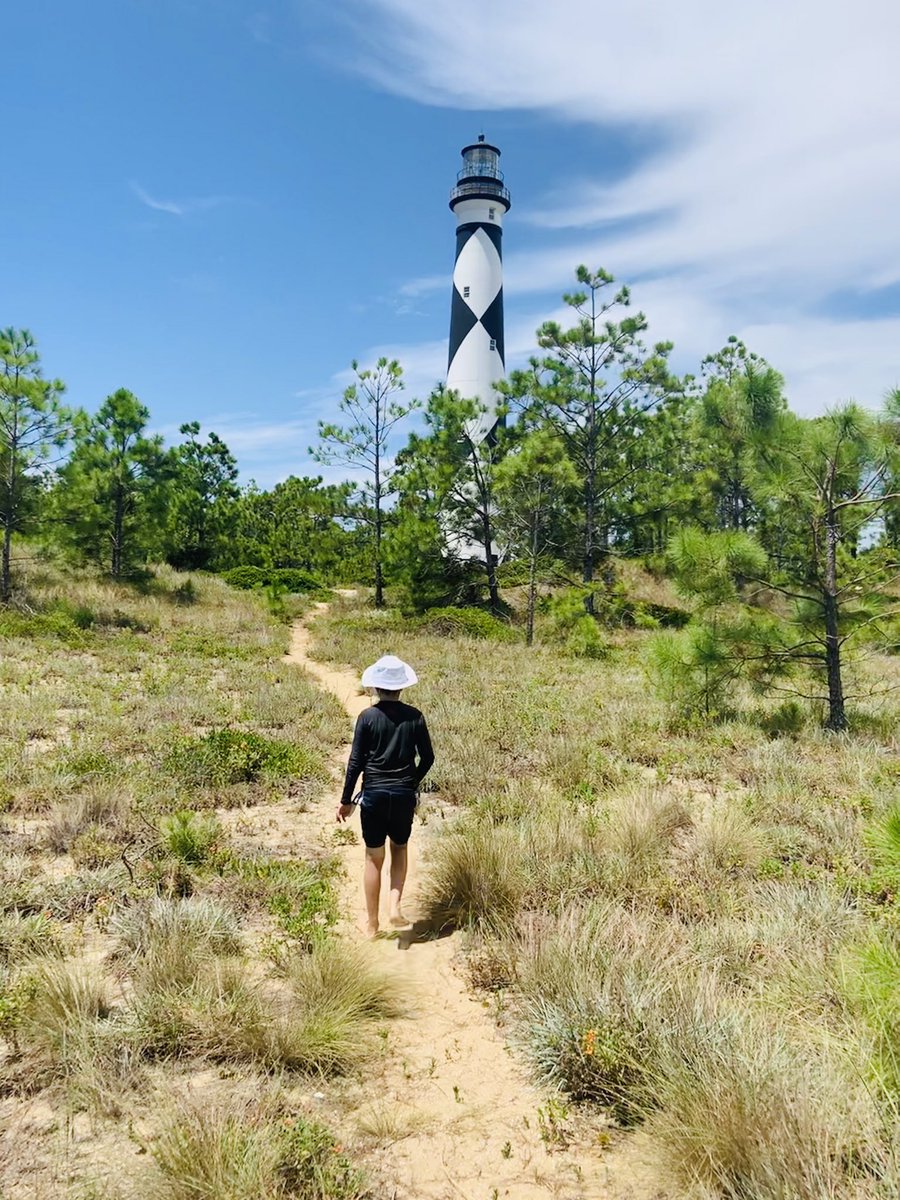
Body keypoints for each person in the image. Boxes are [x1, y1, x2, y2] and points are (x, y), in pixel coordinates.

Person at [336, 654, 434, 937]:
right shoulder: (415, 717)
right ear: (401, 687)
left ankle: (372, 924)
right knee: (400, 848)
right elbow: (427, 757)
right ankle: (394, 906)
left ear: (376, 687)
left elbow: (355, 763)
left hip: (374, 795)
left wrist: (346, 801)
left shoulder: (367, 717)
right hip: (402, 795)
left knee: (372, 858)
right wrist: (410, 782)